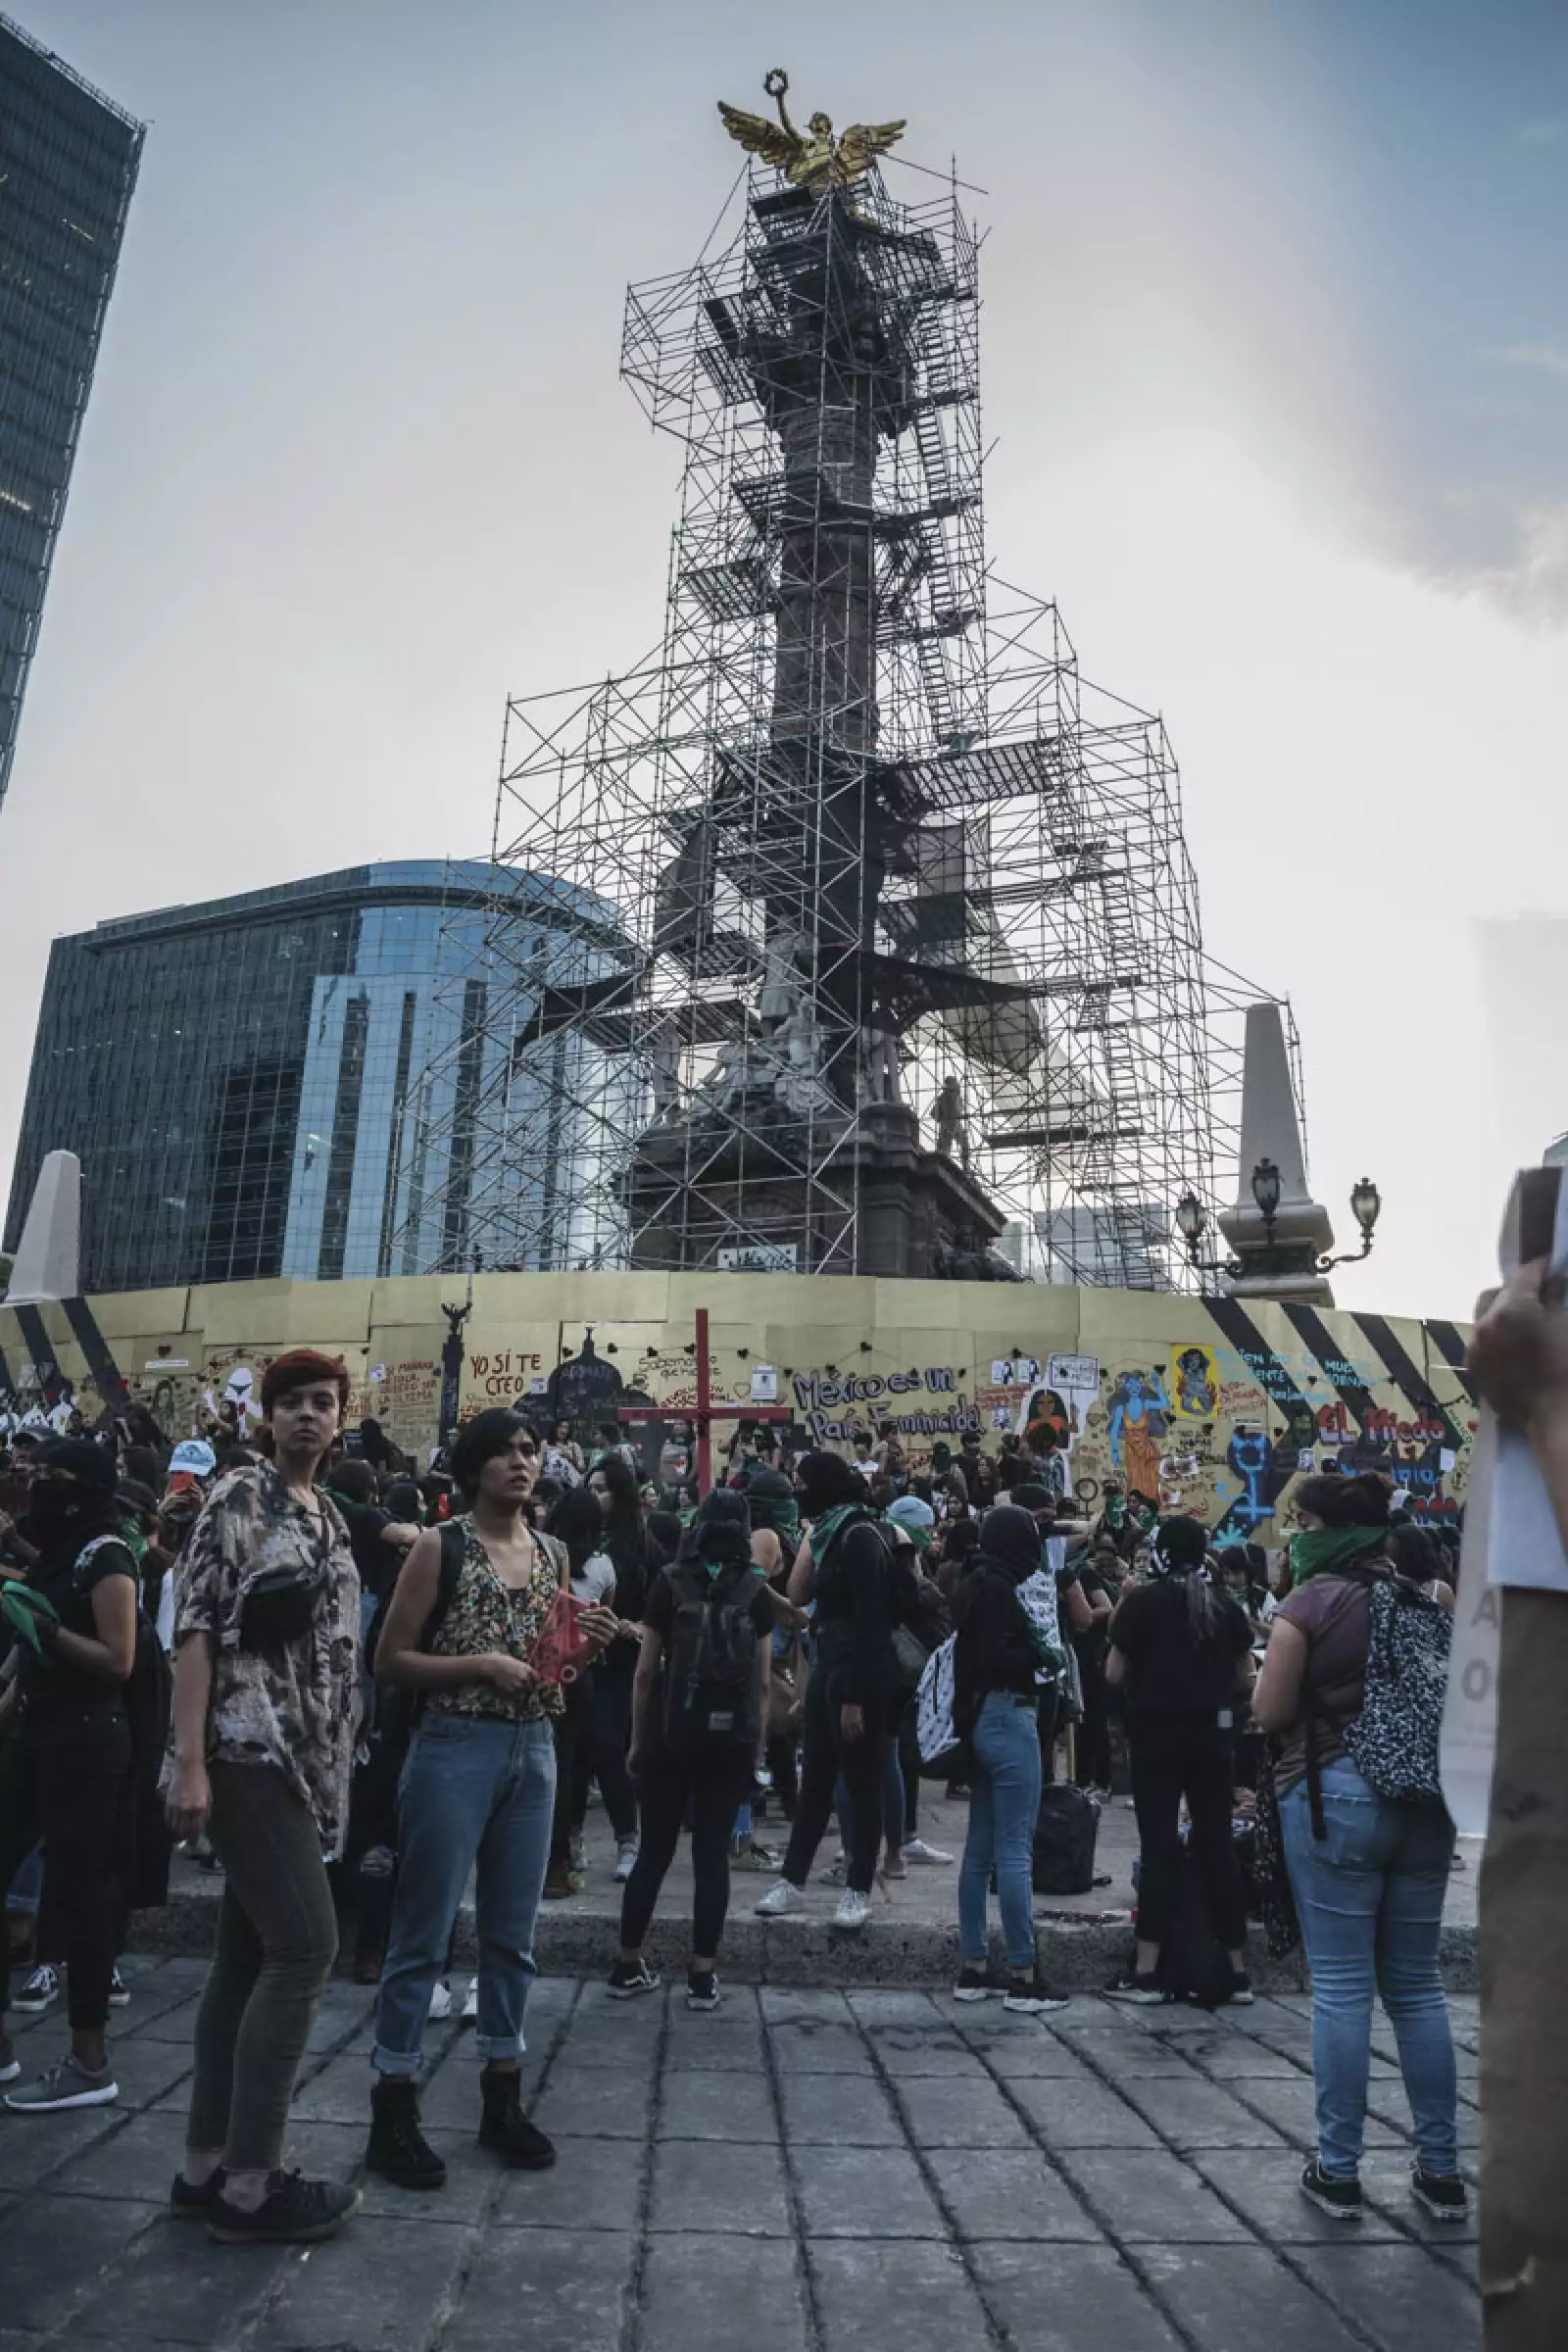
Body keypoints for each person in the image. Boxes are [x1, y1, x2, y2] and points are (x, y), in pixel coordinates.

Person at [364, 1409, 613, 2193]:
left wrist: (584, 1647)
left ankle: (502, 2092)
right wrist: (480, 1665)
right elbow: (390, 1658)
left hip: (533, 1748)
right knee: (423, 1931)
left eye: (529, 1450)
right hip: (452, 1746)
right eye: (503, 1452)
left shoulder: (553, 1551)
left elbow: (546, 1660)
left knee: (513, 1935)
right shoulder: (440, 1546)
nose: (520, 1462)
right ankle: (393, 2101)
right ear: (473, 1470)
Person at [163, 1351, 364, 2244]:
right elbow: (196, 1628)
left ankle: (205, 2167)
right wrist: (190, 1760)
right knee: (307, 1946)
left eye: (323, 1402)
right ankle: (252, 2186)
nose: (308, 1415)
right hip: (246, 1747)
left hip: (307, 1764)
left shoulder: (331, 1514)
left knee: (243, 1959)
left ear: (340, 1418)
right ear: (267, 1416)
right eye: (292, 1403)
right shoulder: (240, 1497)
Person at [1250, 1472, 1465, 2224]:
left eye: (1305, 1524)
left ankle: (1338, 2171)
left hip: (1335, 1798)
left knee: (1343, 1988)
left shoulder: (1308, 1605)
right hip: (1427, 1803)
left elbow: (1269, 1710)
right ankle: (1442, 2172)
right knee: (1417, 1987)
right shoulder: (1428, 1599)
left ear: (1337, 1532)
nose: (1296, 1536)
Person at [0, 1440, 138, 2115]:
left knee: (79, 1893)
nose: (38, 1486)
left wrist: (49, 1631)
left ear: (84, 1487)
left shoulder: (106, 1554)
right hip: (36, 1733)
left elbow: (118, 1659)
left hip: (86, 1739)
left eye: (52, 1476)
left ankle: (89, 2059)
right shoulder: (58, 1551)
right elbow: (26, 1654)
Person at [609, 1491, 775, 2009]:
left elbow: (644, 1673)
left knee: (654, 1851)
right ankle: (703, 1976)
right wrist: (757, 1750)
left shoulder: (669, 1581)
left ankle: (627, 1963)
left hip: (669, 1732)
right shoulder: (756, 1589)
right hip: (730, 1742)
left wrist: (638, 1740)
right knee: (711, 1854)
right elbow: (763, 1683)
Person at [1102, 1514, 1254, 2005]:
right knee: (1217, 1846)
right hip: (1214, 1738)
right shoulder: (1225, 1604)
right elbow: (1245, 1677)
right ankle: (1236, 1970)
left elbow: (1113, 1673)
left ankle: (1147, 1971)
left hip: (1155, 1737)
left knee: (1159, 1848)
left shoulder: (1142, 1603)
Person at [756, 1449, 898, 1932]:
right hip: (827, 1664)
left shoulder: (859, 1536)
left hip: (858, 1673)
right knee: (815, 1780)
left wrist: (855, 1698)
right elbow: (799, 1594)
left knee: (862, 1783)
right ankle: (792, 1880)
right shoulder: (830, 1532)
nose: (798, 1492)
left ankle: (859, 1888)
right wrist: (812, 1536)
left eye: (803, 1484)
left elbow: (871, 1621)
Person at [950, 1504, 1069, 2012]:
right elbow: (1000, 1657)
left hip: (978, 1721)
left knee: (979, 1851)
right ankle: (1024, 1973)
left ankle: (974, 1967)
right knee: (1015, 1849)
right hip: (1010, 1715)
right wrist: (1041, 1656)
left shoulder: (973, 1583)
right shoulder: (1003, 1590)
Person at [542, 1486, 615, 1897]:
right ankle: (560, 1862)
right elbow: (605, 1612)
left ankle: (535, 1858)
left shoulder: (539, 1553)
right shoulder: (603, 1565)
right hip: (579, 1670)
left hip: (538, 1666)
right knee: (567, 1765)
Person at [585, 1451, 651, 1882]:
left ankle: (629, 1839)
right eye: (589, 1489)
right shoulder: (578, 1540)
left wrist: (635, 1627)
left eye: (601, 1490)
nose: (594, 1497)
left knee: (612, 1750)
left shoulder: (643, 1547)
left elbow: (662, 1610)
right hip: (582, 1661)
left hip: (625, 1662)